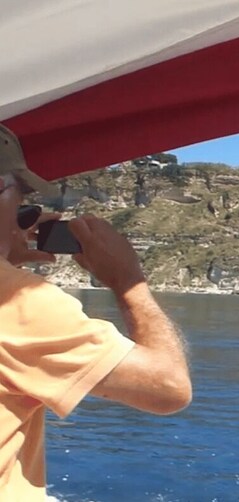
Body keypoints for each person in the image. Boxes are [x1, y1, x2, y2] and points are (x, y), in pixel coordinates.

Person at [0, 124, 192, 500]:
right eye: (21, 196)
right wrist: (128, 281)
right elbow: (169, 388)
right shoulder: (18, 299)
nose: (27, 211)